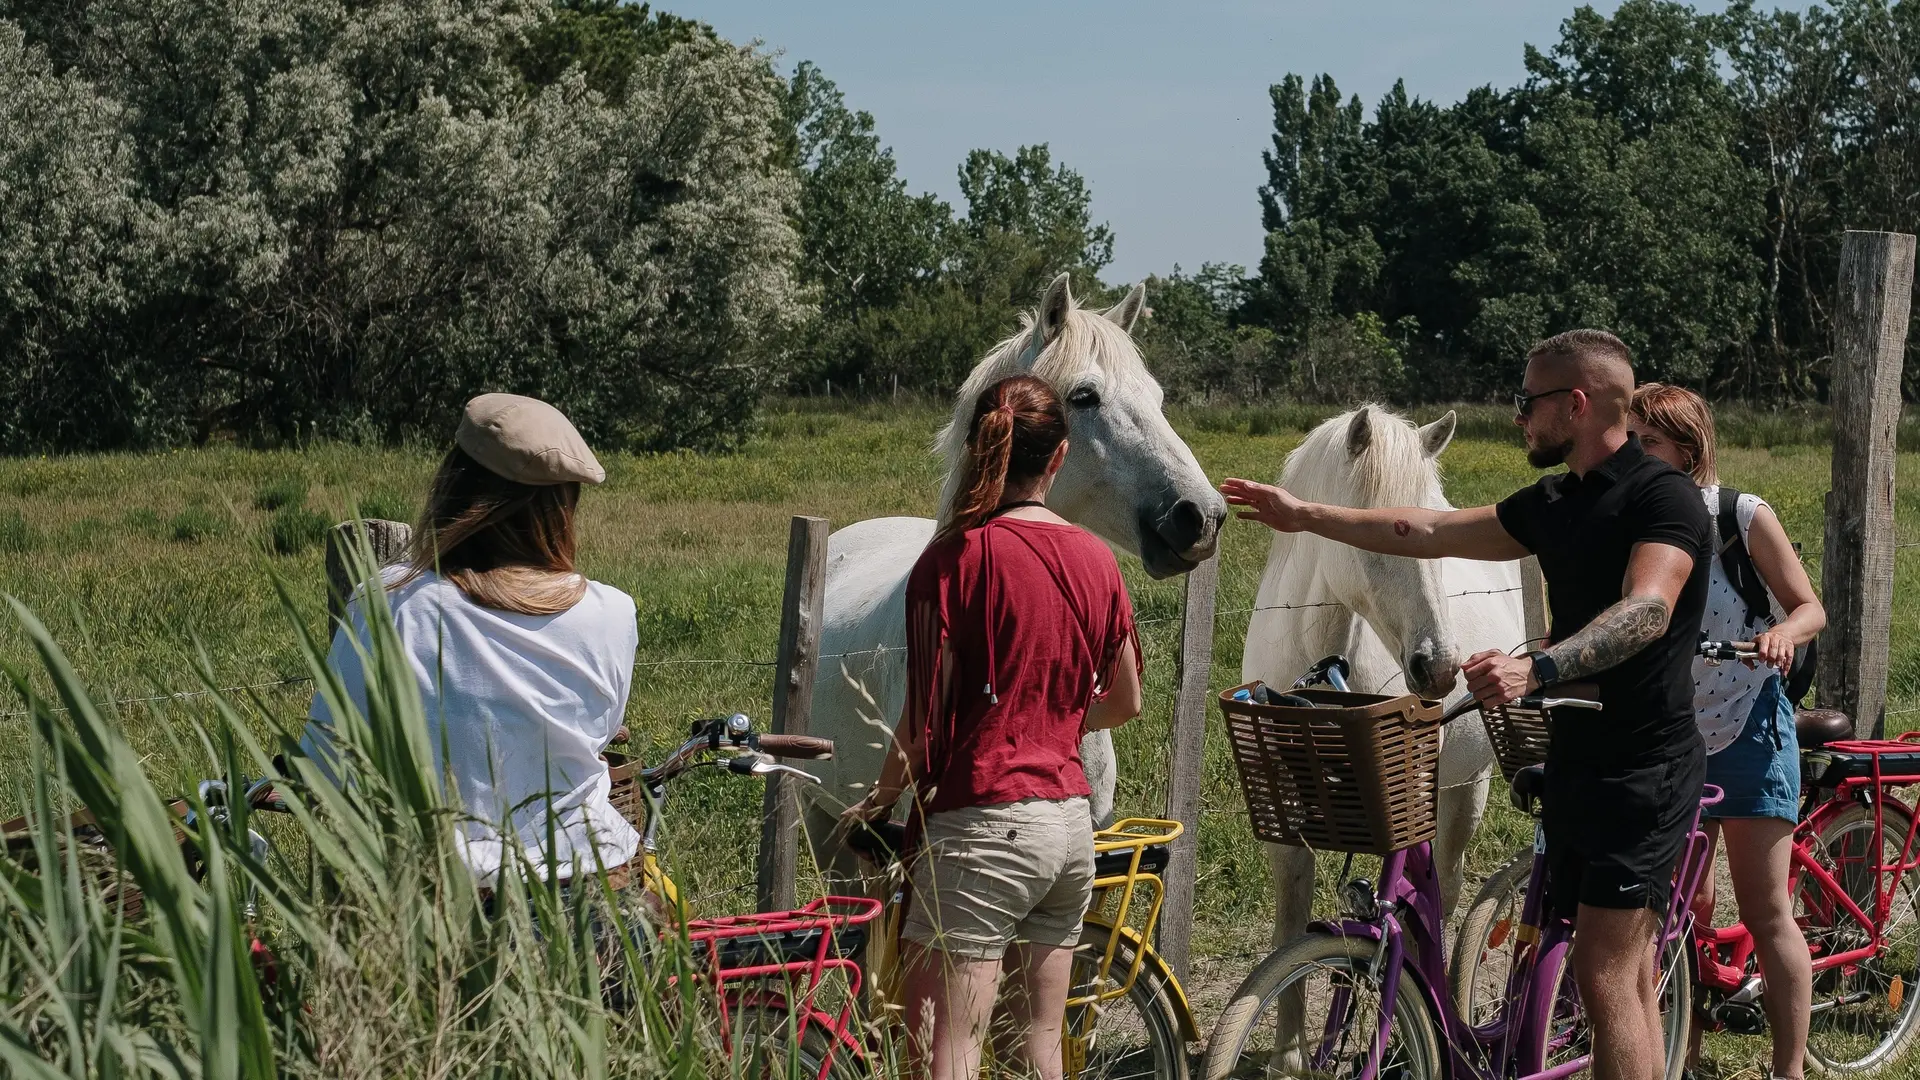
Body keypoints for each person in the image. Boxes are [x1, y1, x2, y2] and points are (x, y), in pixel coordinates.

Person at [1222, 329, 1710, 1080]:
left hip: (1641, 767)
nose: (1518, 417)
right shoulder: (1557, 499)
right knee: (1622, 974)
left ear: (1575, 405)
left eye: (1528, 401)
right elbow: (1429, 528)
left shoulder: (1662, 498)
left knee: (1607, 976)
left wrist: (1537, 667)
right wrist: (1307, 514)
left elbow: (1645, 610)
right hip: (1581, 760)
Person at [842, 375, 1144, 1080]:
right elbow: (1125, 701)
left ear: (979, 448)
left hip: (980, 835)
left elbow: (921, 731)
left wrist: (874, 805)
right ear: (1060, 457)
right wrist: (1054, 723)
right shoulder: (1098, 560)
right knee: (1039, 1048)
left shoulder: (951, 560)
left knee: (947, 1053)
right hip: (1069, 830)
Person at [302, 393, 640, 886]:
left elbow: (327, 759)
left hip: (444, 903)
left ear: (454, 488)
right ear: (564, 507)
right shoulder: (613, 613)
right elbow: (600, 733)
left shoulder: (392, 603)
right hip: (593, 893)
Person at [1630, 382, 1824, 1080]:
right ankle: (1683, 1055)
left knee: (1766, 908)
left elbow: (1810, 608)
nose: (1633, 453)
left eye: (1647, 441)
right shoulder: (1639, 517)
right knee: (1680, 906)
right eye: (1629, 439)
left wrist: (1780, 635)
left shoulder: (1741, 515)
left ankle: (1788, 1068)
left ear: (1687, 448)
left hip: (1748, 726)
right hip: (1677, 733)